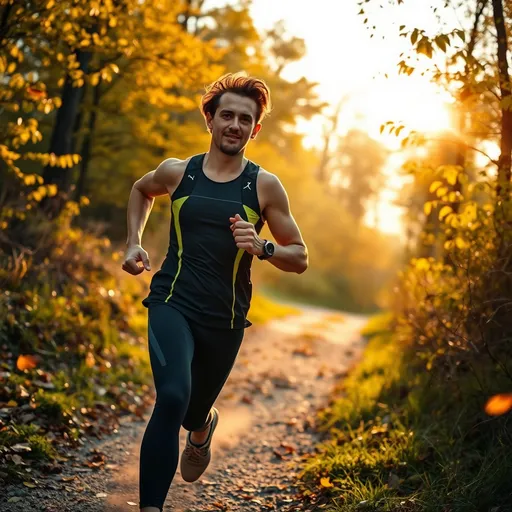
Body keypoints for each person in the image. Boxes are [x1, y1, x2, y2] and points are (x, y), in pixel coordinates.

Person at [122, 72, 308, 512]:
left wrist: (263, 247)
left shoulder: (263, 186)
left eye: (246, 119)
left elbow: (299, 256)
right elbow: (140, 191)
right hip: (172, 300)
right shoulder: (178, 172)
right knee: (170, 397)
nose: (235, 125)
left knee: (190, 410)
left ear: (255, 129)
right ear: (210, 118)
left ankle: (202, 426)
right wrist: (133, 241)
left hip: (224, 318)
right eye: (227, 115)